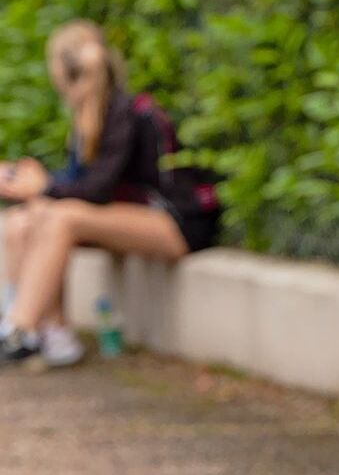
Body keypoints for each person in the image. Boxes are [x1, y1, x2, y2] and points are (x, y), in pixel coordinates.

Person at [0, 20, 220, 366]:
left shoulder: (125, 113)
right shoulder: (89, 117)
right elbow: (78, 183)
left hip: (175, 223)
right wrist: (37, 184)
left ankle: (19, 330)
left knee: (60, 215)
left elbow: (95, 190)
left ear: (65, 73)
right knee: (27, 216)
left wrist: (43, 186)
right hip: (131, 218)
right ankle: (54, 334)